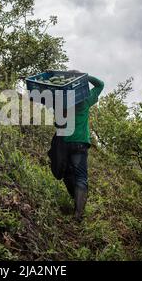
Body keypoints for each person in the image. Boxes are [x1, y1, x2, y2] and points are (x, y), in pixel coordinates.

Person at [49, 72, 104, 222]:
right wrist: (83, 75)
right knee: (80, 177)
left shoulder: (61, 102)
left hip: (65, 143)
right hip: (80, 143)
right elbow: (100, 84)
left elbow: (58, 123)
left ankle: (77, 200)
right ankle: (78, 213)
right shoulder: (85, 100)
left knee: (67, 174)